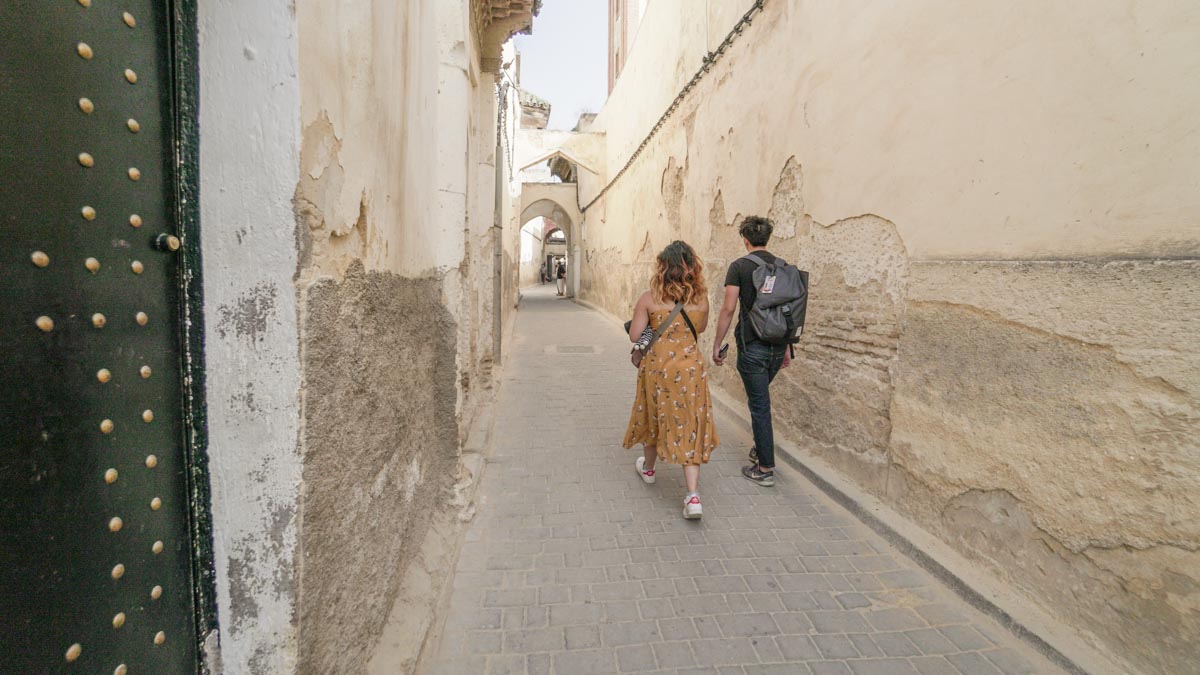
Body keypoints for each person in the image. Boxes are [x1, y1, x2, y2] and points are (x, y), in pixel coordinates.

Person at [623, 241, 718, 519]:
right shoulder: (701, 300)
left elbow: (635, 336)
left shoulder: (649, 298)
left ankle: (649, 469)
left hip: (658, 369)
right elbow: (698, 329)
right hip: (691, 371)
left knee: (654, 417)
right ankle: (693, 496)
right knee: (690, 423)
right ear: (692, 267)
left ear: (662, 267)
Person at [711, 216, 789, 487]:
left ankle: (765, 468)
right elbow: (787, 310)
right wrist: (788, 347)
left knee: (759, 406)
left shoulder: (739, 267)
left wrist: (716, 343)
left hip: (752, 347)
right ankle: (760, 448)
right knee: (760, 402)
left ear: (744, 240)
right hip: (778, 348)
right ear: (768, 238)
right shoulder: (783, 267)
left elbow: (728, 309)